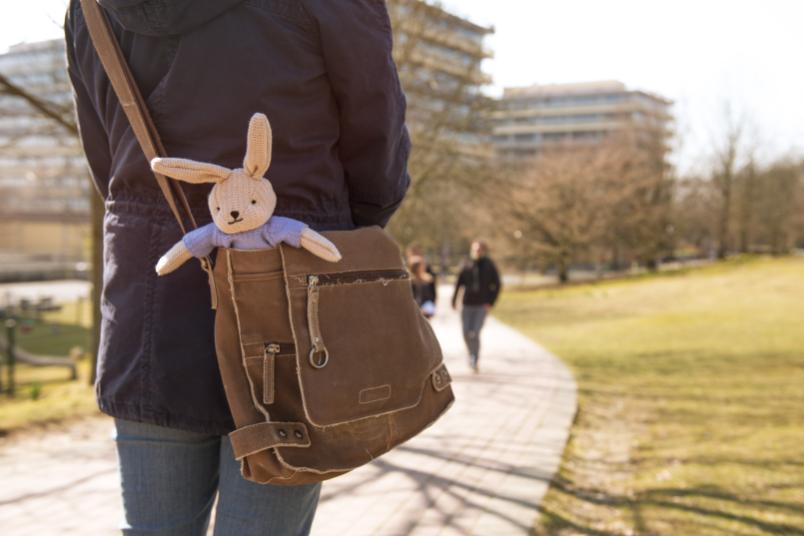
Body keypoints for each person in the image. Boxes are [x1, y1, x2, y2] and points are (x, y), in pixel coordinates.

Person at [64, 1, 410, 534]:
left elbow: (106, 156)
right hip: (296, 297)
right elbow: (377, 155)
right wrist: (326, 231)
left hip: (150, 290)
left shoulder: (87, 5)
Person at [451, 240, 501, 373]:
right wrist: (454, 300)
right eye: (475, 249)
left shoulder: (489, 265)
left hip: (481, 305)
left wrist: (491, 302)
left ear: (483, 251)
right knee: (466, 332)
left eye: (479, 249)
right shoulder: (466, 263)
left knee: (475, 332)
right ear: (471, 250)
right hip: (467, 305)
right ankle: (470, 354)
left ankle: (474, 358)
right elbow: (458, 283)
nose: (477, 252)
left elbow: (497, 285)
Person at [406, 245, 437, 319]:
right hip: (414, 312)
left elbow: (432, 296)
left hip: (426, 311)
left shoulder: (428, 279)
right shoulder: (409, 281)